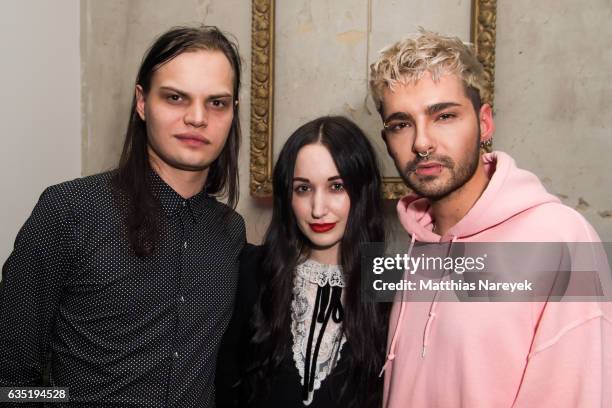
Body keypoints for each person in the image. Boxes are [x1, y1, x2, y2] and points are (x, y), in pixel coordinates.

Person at [0, 25, 245, 407]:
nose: (198, 118)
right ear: (142, 102)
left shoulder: (229, 233)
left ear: (233, 113)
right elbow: (10, 376)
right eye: (176, 97)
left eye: (216, 103)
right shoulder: (69, 211)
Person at [369, 29, 611, 407]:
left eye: (444, 115)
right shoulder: (418, 243)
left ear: (485, 124)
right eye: (401, 124)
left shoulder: (561, 240)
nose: (421, 142)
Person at [216, 116, 388, 408]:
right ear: (287, 196)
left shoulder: (394, 281)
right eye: (303, 189)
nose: (318, 209)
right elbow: (223, 389)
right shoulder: (251, 270)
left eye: (336, 187)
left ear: (361, 192)